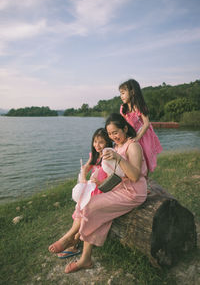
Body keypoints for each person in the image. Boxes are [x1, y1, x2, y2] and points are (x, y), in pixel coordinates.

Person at [48, 113, 147, 273]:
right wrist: (99, 181)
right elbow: (114, 173)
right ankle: (86, 259)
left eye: (116, 132)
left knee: (93, 206)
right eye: (110, 134)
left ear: (125, 128)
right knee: (93, 204)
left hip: (133, 192)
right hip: (119, 188)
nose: (113, 137)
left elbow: (135, 176)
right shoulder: (116, 147)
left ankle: (70, 237)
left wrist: (118, 158)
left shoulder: (133, 145)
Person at [53, 128, 113, 259]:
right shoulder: (95, 156)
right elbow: (86, 167)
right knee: (80, 209)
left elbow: (112, 178)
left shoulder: (109, 156)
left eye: (101, 142)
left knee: (86, 210)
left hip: (103, 190)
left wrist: (100, 182)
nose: (97, 145)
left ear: (108, 143)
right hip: (92, 190)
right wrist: (84, 174)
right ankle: (73, 239)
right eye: (95, 141)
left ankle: (71, 239)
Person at [119, 79, 162, 172]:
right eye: (120, 93)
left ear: (132, 92)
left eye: (123, 93)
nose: (121, 96)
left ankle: (145, 180)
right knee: (133, 157)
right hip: (132, 135)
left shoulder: (139, 106)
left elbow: (146, 123)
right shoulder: (123, 108)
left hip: (143, 135)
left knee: (145, 157)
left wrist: (138, 138)